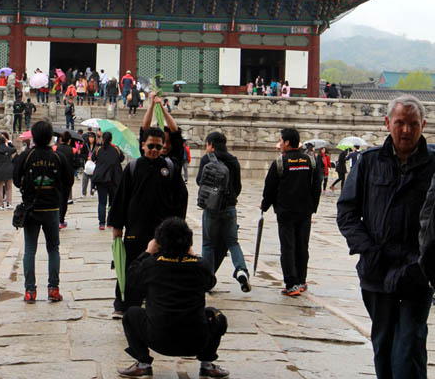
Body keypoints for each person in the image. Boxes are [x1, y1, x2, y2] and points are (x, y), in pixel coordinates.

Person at [337, 95, 434, 379]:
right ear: (387, 123)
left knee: (409, 345)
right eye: (400, 123)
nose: (406, 130)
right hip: (377, 271)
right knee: (383, 344)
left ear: (424, 126)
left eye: (413, 124)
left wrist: (425, 262)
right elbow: (347, 212)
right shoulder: (368, 162)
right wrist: (368, 249)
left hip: (417, 271)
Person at [117, 217, 229, 379]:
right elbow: (210, 282)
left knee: (131, 314)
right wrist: (192, 256)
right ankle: (207, 365)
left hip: (158, 338)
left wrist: (147, 252)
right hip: (196, 339)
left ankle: (143, 365)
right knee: (216, 316)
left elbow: (131, 279)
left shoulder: (151, 265)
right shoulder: (200, 266)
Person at [108, 126, 188, 316]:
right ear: (143, 145)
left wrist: (179, 227)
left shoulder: (169, 169)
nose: (154, 150)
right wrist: (117, 227)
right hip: (137, 227)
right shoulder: (133, 168)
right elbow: (121, 198)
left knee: (163, 268)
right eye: (150, 145)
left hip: (163, 229)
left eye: (158, 147)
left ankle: (158, 302)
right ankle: (124, 303)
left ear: (163, 147)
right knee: (131, 266)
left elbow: (180, 199)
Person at [13, 120, 73, 303]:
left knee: (30, 250)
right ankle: (53, 289)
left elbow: (16, 179)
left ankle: (30, 291)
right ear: (50, 137)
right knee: (53, 248)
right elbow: (68, 180)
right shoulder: (58, 157)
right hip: (52, 208)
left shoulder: (27, 156)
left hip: (31, 208)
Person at [260, 127, 321, 296]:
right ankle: (301, 280)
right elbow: (317, 186)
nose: (280, 143)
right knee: (302, 246)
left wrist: (265, 205)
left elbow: (270, 187)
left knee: (288, 247)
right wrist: (312, 207)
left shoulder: (280, 162)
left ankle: (291, 284)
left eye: (281, 140)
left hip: (286, 212)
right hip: (305, 211)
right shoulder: (310, 161)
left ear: (287, 142)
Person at [198, 131, 251, 292]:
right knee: (233, 242)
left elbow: (199, 180)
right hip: (229, 208)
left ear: (211, 145)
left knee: (208, 244)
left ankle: (206, 279)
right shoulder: (233, 160)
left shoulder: (207, 159)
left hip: (211, 208)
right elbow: (238, 186)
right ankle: (241, 270)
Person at [91, 131, 124, 229]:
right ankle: (110, 222)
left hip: (101, 179)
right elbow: (121, 158)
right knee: (112, 201)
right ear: (111, 139)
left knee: (102, 202)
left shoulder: (98, 149)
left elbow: (93, 158)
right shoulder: (116, 149)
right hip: (114, 179)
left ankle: (102, 223)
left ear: (103, 139)